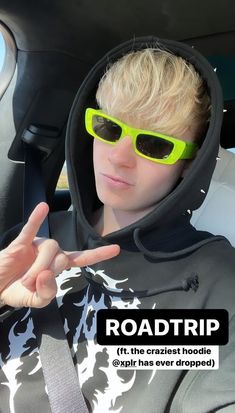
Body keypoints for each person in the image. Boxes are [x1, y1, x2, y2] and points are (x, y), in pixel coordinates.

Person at [0, 36, 235, 412]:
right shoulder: (29, 242)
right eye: (108, 128)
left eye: (155, 145)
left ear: (190, 164)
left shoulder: (218, 286)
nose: (119, 157)